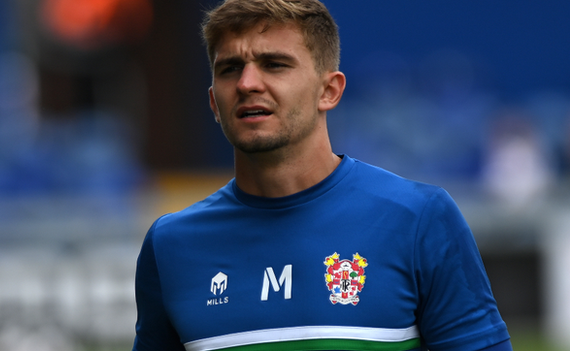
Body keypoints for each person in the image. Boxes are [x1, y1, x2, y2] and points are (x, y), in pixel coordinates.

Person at [132, 0, 513, 350]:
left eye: (274, 64)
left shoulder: (418, 219)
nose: (247, 83)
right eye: (230, 69)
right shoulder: (171, 245)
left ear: (329, 91)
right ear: (215, 102)